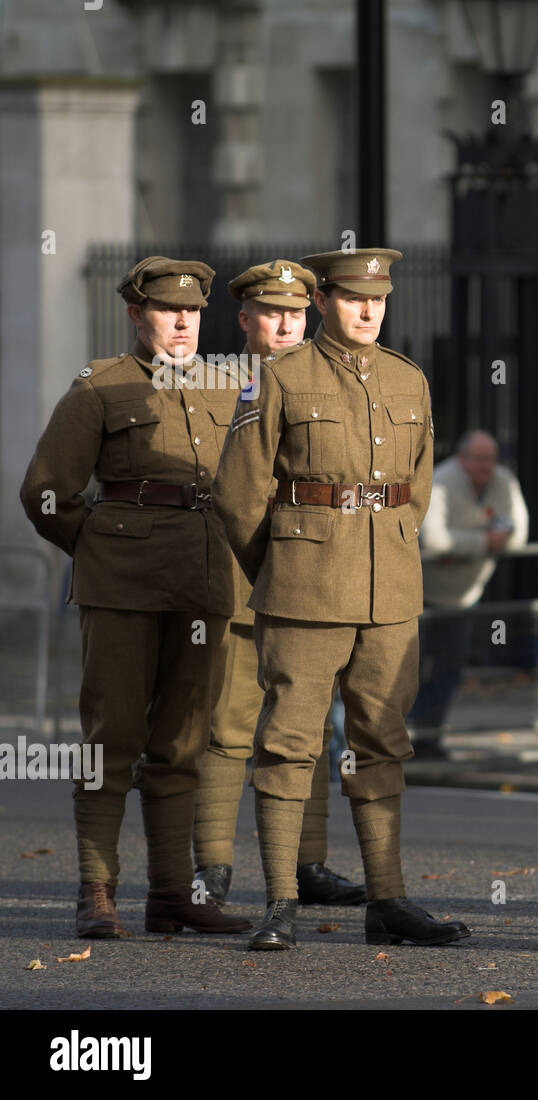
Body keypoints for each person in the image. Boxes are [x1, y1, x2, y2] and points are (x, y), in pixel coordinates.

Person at [213, 247, 470, 950]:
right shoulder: (282, 378)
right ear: (323, 301)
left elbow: (412, 491)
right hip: (303, 589)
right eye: (354, 298)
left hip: (389, 591)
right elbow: (239, 498)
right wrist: (287, 564)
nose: (367, 311)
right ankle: (282, 901)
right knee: (289, 744)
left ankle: (388, 899)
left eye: (378, 300)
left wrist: (382, 548)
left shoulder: (407, 379)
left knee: (382, 743)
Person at [20, 256, 250, 938]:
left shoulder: (228, 384)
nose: (182, 321)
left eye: (192, 310)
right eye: (166, 309)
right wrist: (96, 545)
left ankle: (173, 894)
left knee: (184, 740)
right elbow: (46, 491)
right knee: (111, 737)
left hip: (205, 578)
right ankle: (97, 890)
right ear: (136, 314)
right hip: (120, 582)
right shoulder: (100, 386)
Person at [192, 260, 366, 908]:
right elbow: (226, 491)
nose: (286, 324)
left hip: (310, 583)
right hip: (238, 578)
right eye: (272, 312)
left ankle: (308, 863)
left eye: (296, 312)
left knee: (309, 727)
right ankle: (212, 866)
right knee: (228, 725)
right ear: (245, 320)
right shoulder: (215, 387)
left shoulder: (331, 382)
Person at [410, 430, 529, 759]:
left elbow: (518, 534)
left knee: (448, 672)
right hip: (421, 597)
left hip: (465, 598)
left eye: (490, 459)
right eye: (478, 459)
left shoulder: (504, 481)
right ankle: (398, 741)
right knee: (410, 672)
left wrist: (483, 541)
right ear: (462, 459)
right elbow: (432, 539)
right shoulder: (442, 481)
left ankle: (429, 740)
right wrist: (482, 543)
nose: (486, 466)